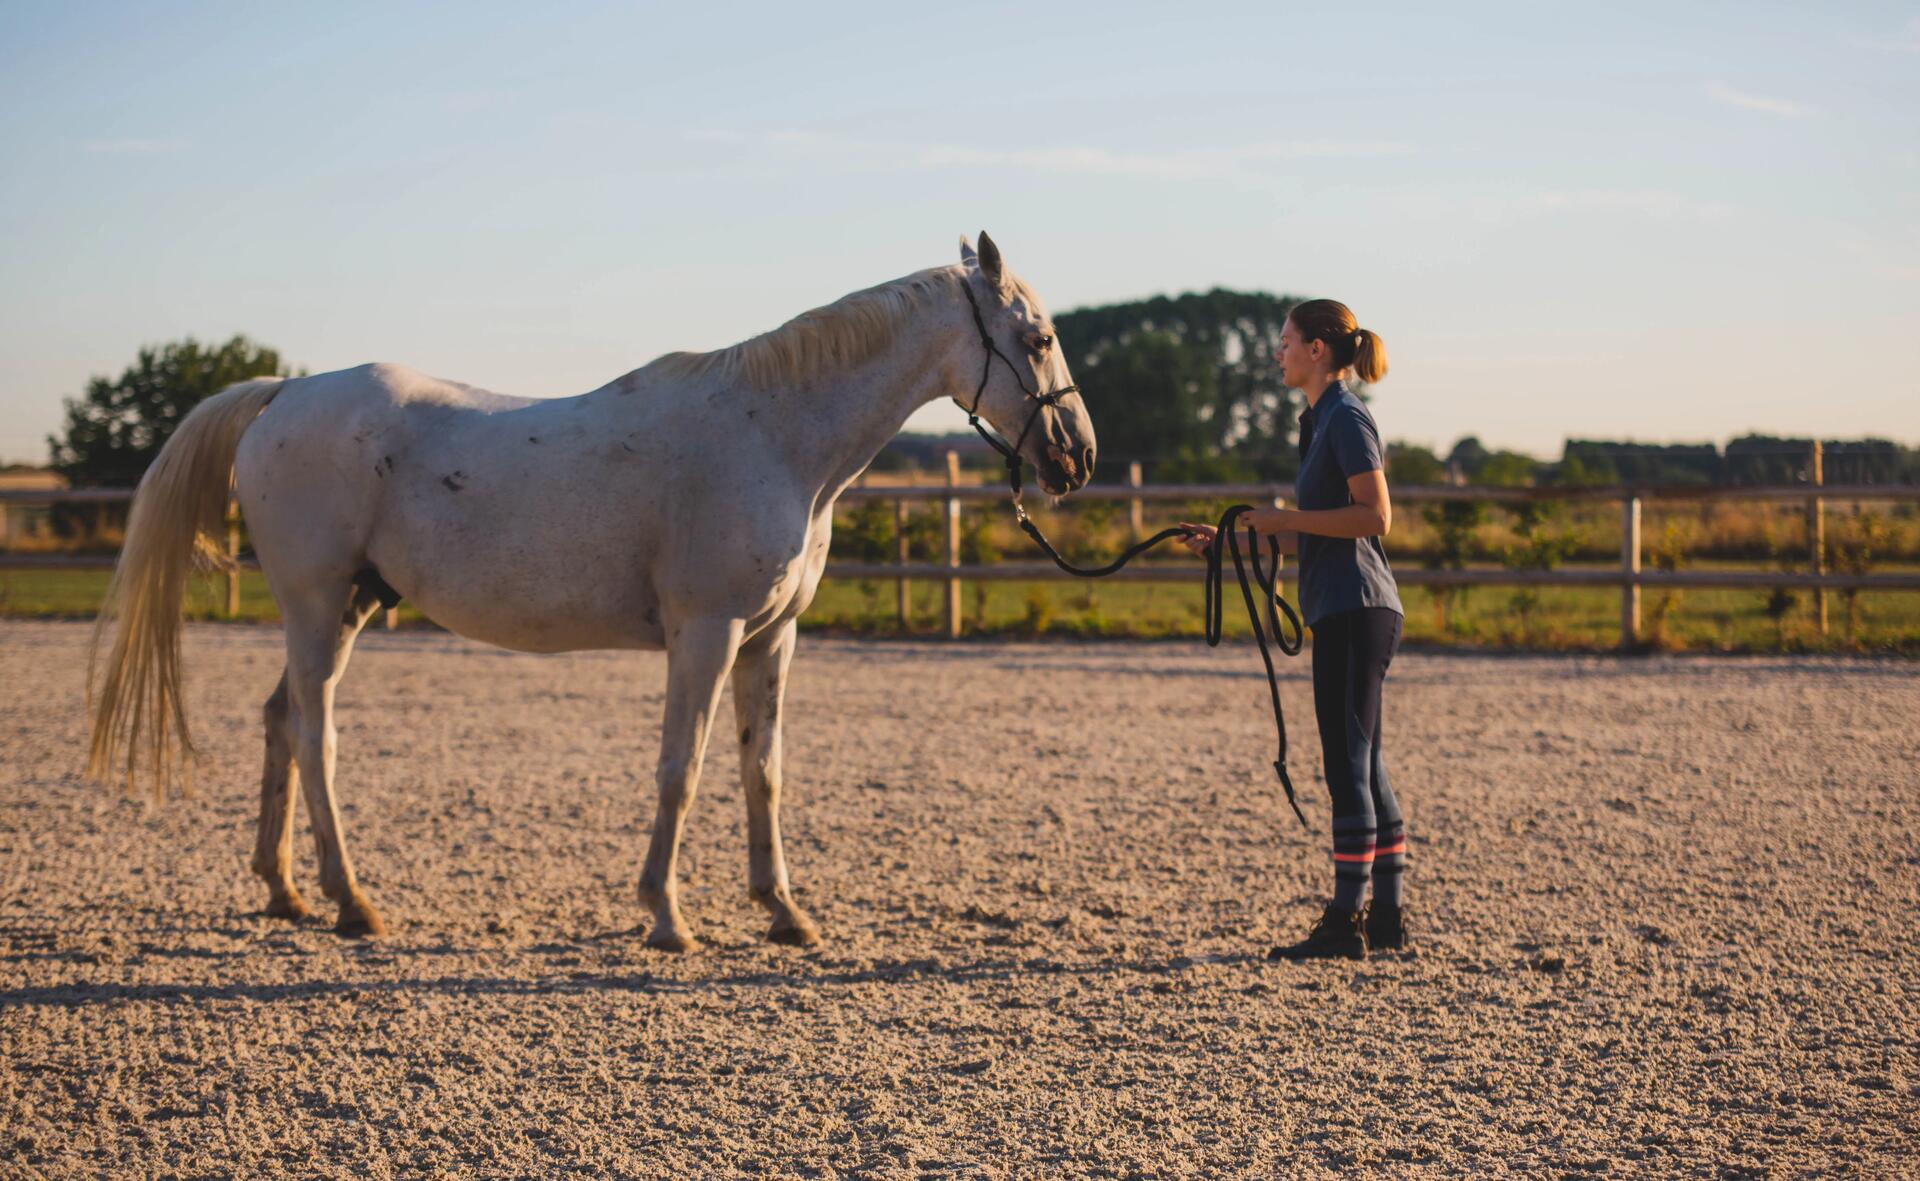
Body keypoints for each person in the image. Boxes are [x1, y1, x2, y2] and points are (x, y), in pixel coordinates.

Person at [1179, 298, 1407, 962]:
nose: (1277, 353)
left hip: (1357, 607)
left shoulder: (1346, 417)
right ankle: (1386, 914)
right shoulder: (1319, 421)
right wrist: (1228, 540)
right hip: (1344, 605)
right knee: (1365, 760)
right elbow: (1311, 524)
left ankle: (1345, 919)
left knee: (1347, 761)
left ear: (1316, 350)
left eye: (1286, 342)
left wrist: (1287, 518)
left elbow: (1374, 517)